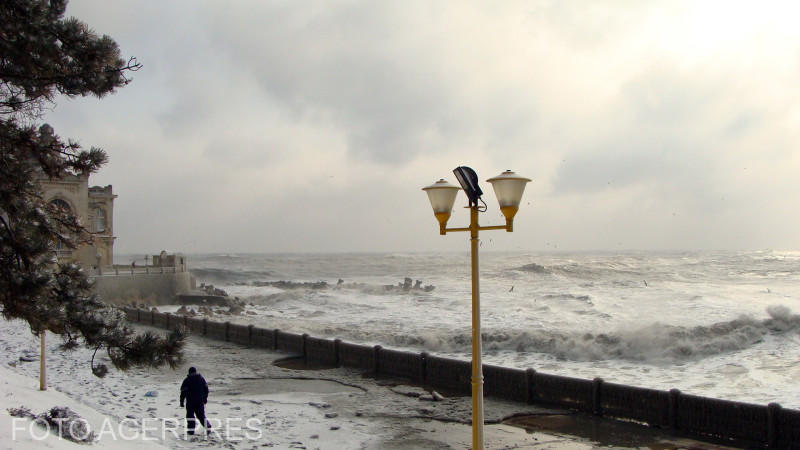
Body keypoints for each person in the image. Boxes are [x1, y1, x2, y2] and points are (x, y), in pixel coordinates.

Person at [179, 367, 211, 435]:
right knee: (201, 415)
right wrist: (205, 399)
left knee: (190, 416)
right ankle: (207, 426)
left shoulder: (187, 380)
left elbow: (183, 392)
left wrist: (181, 401)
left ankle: (191, 431)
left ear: (189, 372)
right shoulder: (201, 379)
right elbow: (206, 390)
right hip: (200, 401)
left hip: (191, 401)